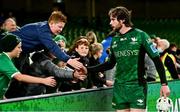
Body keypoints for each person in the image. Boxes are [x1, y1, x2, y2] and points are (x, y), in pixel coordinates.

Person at [88, 6, 170, 112]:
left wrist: (164, 84)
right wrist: (88, 69)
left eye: (113, 19)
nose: (110, 23)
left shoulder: (141, 35)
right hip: (119, 88)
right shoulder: (115, 40)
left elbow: (157, 60)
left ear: (122, 20)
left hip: (137, 87)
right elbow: (110, 64)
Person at [0, 34, 56, 99]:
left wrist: (3, 98)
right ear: (11, 47)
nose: (21, 50)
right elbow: (20, 77)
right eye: (18, 47)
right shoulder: (4, 60)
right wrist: (43, 80)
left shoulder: (8, 59)